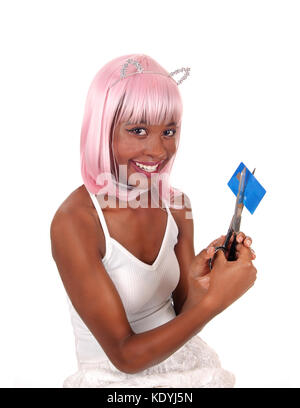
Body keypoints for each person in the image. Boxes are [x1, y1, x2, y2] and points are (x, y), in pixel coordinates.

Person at [50, 54, 257, 388]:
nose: (159, 150)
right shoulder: (76, 222)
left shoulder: (176, 205)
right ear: (103, 130)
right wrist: (217, 301)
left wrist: (206, 280)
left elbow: (185, 316)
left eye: (169, 131)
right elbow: (125, 356)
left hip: (185, 370)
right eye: (138, 130)